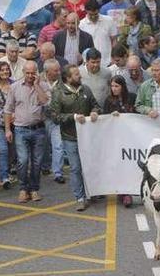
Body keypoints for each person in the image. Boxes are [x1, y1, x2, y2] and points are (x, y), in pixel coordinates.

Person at [50, 65, 102, 211]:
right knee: (76, 167)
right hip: (70, 137)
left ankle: (93, 192)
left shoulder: (85, 89)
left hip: (88, 136)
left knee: (90, 165)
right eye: (76, 74)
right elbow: (54, 116)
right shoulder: (58, 93)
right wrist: (72, 117)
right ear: (68, 78)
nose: (80, 76)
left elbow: (96, 106)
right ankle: (80, 197)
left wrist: (94, 112)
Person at [4, 61, 50, 204]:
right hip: (21, 129)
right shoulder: (15, 87)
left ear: (37, 73)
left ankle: (34, 189)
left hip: (39, 129)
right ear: (23, 72)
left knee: (37, 162)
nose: (30, 76)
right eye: (27, 73)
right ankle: (23, 189)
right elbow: (8, 109)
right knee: (23, 161)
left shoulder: (44, 86)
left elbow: (46, 102)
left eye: (33, 73)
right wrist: (7, 130)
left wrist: (36, 86)